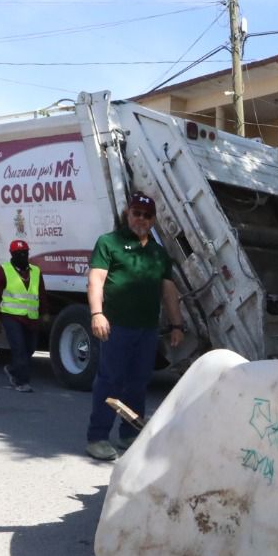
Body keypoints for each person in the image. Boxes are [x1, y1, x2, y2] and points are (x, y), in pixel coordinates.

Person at [84, 192, 184, 461]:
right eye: (137, 213)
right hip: (116, 327)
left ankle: (129, 434)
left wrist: (177, 324)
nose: (141, 219)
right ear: (128, 214)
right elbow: (96, 281)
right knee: (110, 381)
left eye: (147, 215)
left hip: (147, 330)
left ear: (153, 220)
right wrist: (97, 314)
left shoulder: (158, 253)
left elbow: (169, 291)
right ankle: (97, 437)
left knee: (138, 383)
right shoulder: (109, 243)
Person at [0, 238, 46, 393]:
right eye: (18, 253)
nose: (22, 255)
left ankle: (12, 369)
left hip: (31, 317)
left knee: (30, 348)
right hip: (10, 316)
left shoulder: (36, 271)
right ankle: (22, 382)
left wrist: (45, 313)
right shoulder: (2, 271)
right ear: (11, 254)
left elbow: (41, 294)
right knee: (19, 348)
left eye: (24, 253)